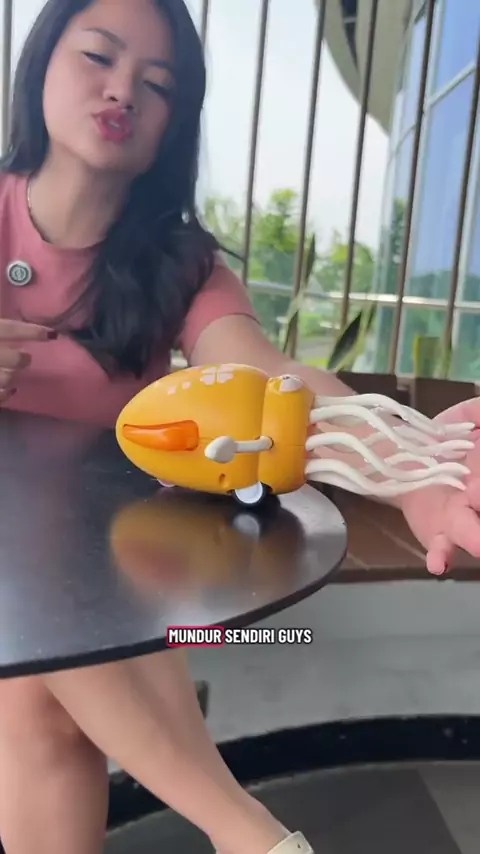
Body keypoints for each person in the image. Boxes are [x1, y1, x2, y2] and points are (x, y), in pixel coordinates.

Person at [0, 1, 480, 853]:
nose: (123, 91)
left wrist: (409, 470)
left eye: (157, 84)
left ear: (175, 121)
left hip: (102, 584)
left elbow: (269, 379)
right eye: (99, 58)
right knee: (49, 652)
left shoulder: (180, 265)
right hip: (44, 590)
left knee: (46, 704)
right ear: (39, 62)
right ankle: (249, 834)